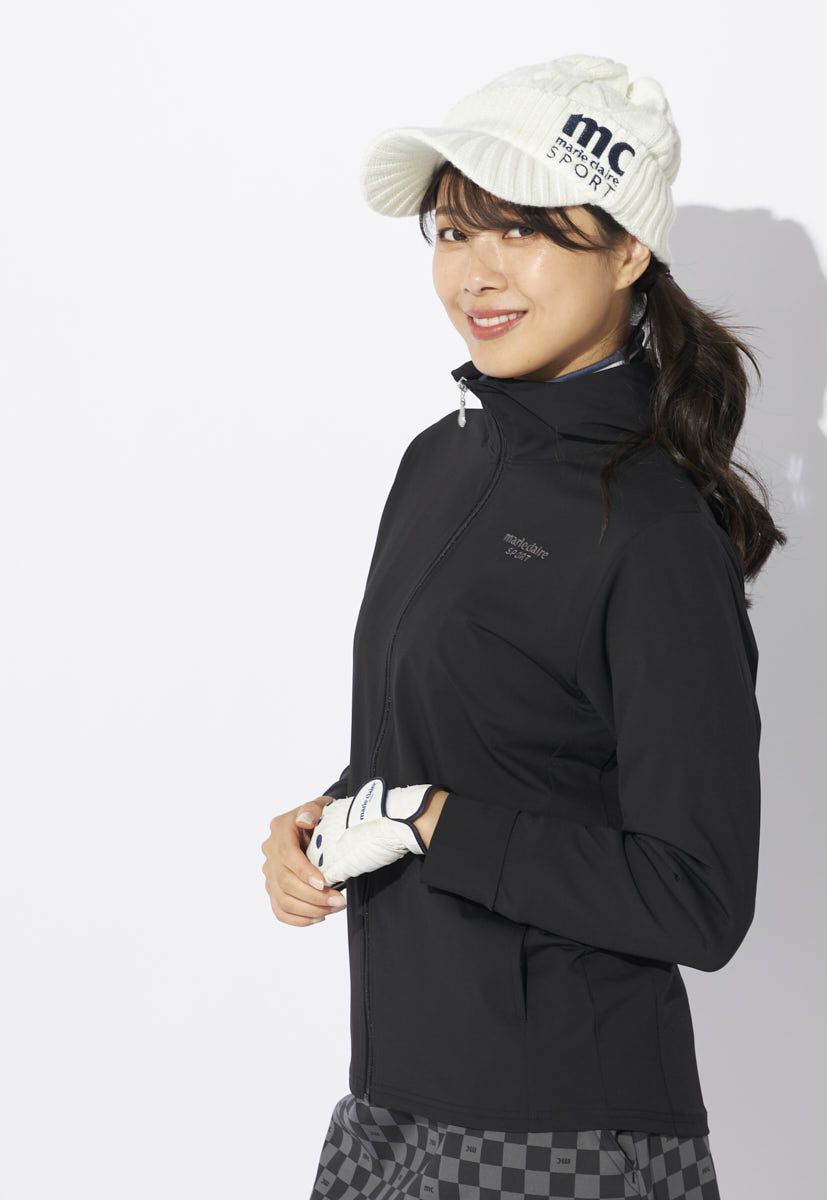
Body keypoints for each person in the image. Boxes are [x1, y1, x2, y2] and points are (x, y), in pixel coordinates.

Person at [260, 52, 786, 1200]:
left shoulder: (652, 528)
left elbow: (698, 897)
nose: (479, 271)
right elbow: (473, 748)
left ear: (628, 251)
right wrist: (333, 816)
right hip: (389, 1110)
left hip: (564, 1135)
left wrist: (434, 822)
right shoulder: (439, 463)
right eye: (454, 231)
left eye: (526, 230)